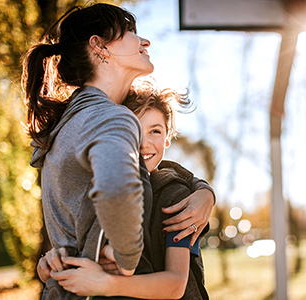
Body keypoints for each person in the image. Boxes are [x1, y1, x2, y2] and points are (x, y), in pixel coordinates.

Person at [22, 3, 214, 299]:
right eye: (130, 32)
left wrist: (202, 190)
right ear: (99, 47)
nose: (144, 42)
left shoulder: (65, 126)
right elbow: (116, 191)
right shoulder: (111, 117)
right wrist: (126, 261)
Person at [39, 81, 211, 299]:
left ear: (168, 138)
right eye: (134, 131)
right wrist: (53, 265)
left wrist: (106, 284)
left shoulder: (174, 195)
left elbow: (176, 284)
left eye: (155, 131)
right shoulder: (105, 190)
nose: (144, 143)